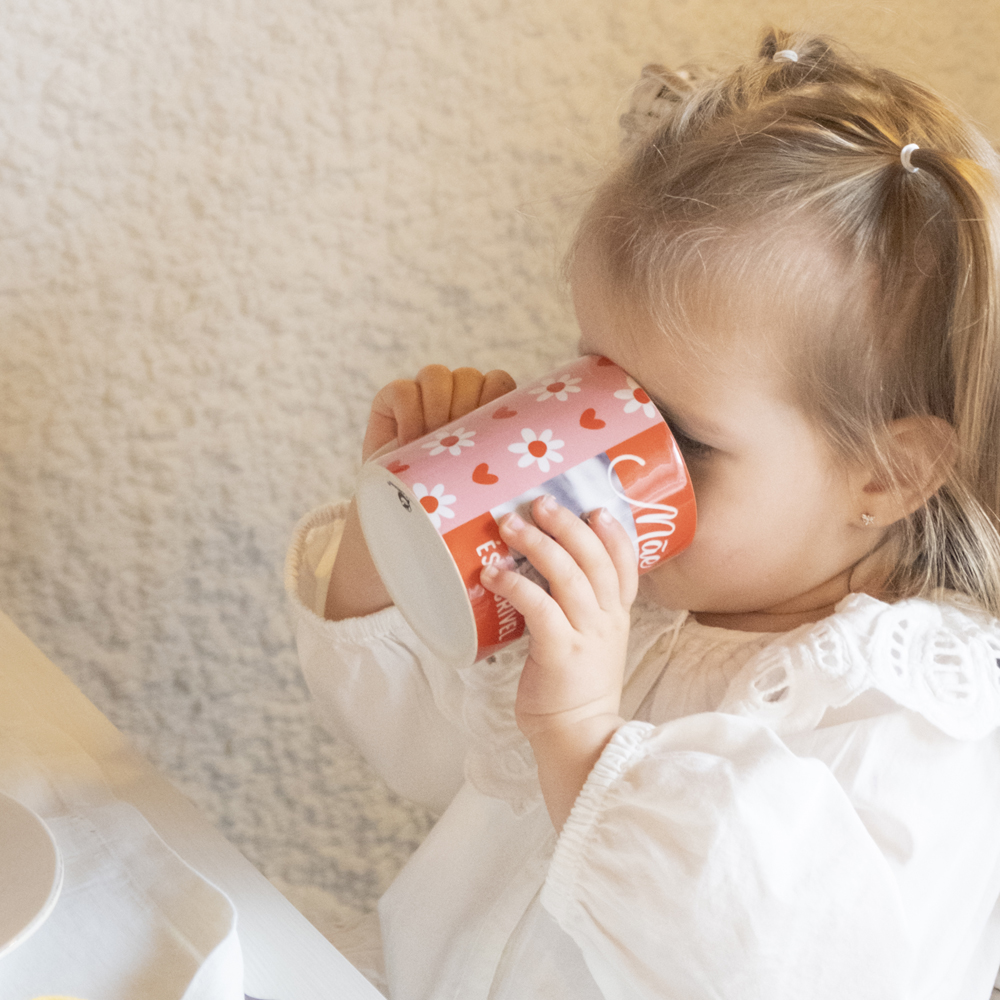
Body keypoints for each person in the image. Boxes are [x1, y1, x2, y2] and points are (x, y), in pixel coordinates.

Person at [285, 28, 1000, 999]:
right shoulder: (631, 584)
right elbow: (418, 747)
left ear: (885, 475)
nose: (599, 461)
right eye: (593, 382)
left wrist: (585, 740)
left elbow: (785, 961)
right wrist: (399, 539)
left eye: (676, 435)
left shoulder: (911, 711)